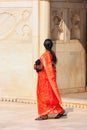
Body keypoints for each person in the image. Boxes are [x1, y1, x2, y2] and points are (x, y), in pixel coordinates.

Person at [34, 39, 66, 120]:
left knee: (43, 97)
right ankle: (60, 110)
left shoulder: (45, 55)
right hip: (50, 79)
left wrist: (35, 66)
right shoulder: (53, 54)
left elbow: (41, 67)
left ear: (44, 46)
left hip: (44, 80)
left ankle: (44, 114)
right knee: (51, 97)